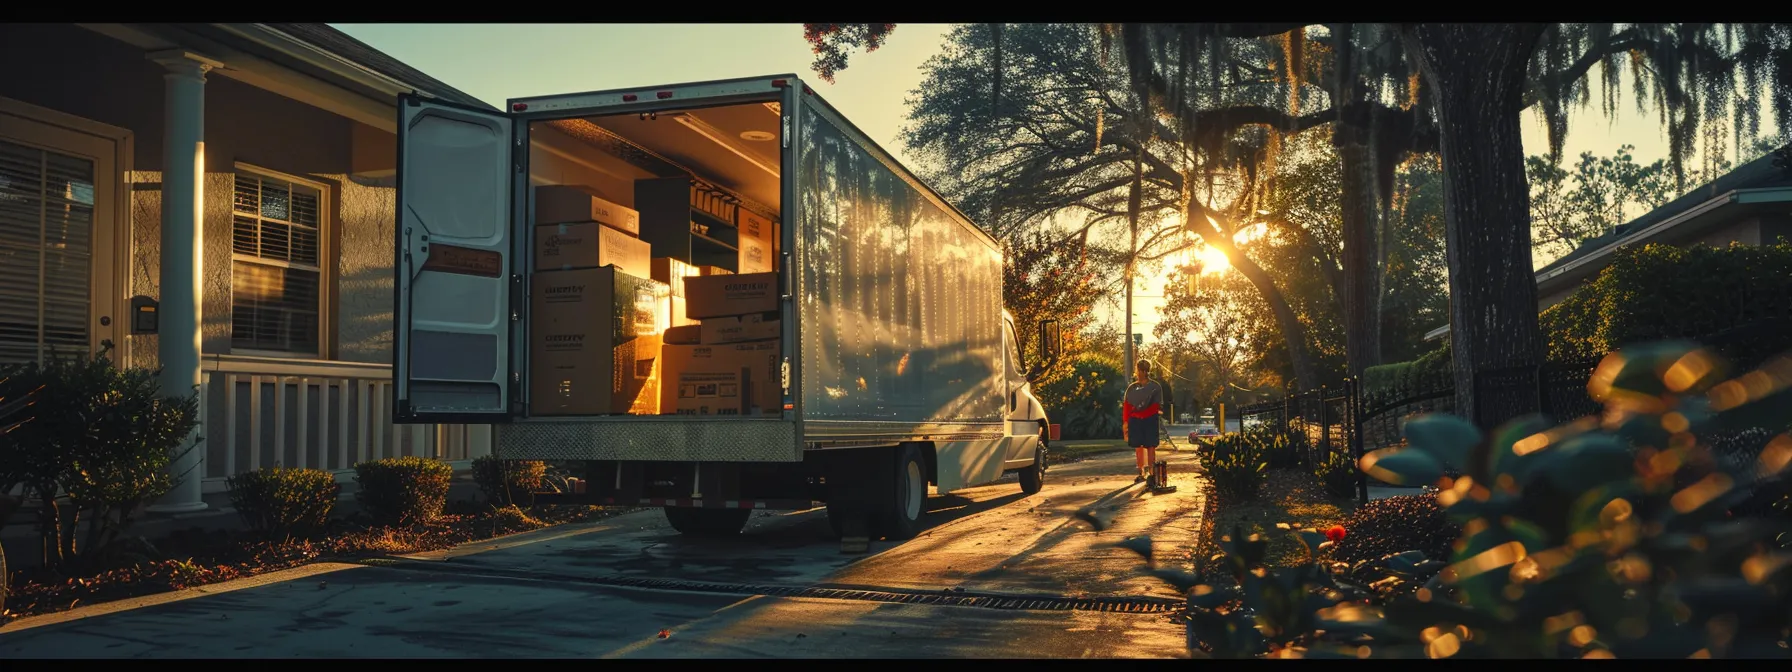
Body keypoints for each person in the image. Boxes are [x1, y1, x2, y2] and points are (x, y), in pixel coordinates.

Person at [1122, 359, 1163, 484]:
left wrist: (1140, 414)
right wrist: (1126, 422)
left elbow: (1156, 406)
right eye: (1139, 370)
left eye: (1140, 370)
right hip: (1136, 420)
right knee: (1139, 446)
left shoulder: (1155, 387)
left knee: (1150, 446)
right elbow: (1127, 406)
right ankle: (1141, 472)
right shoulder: (1132, 388)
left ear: (1145, 371)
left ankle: (1151, 472)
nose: (1138, 372)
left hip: (1149, 420)